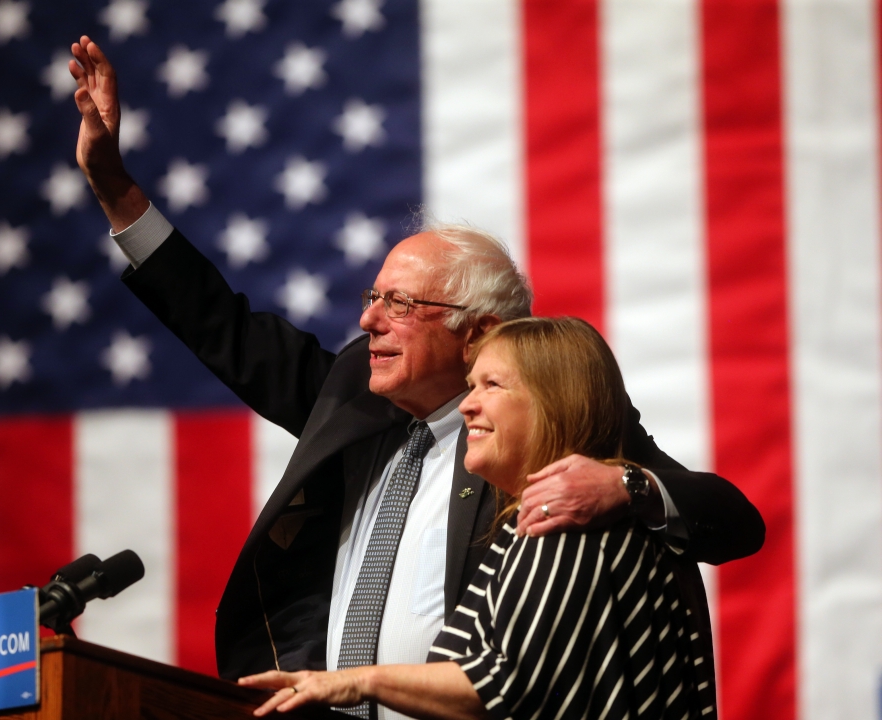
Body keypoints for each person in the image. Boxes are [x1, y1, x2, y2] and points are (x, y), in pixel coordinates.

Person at [67, 34, 763, 690]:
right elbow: (220, 323)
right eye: (373, 298)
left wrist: (626, 488)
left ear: (480, 331)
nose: (369, 320)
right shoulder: (351, 395)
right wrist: (112, 186)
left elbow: (735, 521)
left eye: (399, 304)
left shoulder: (552, 426)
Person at [239, 317, 717, 720]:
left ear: (556, 400)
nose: (467, 405)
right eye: (470, 386)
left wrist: (354, 682)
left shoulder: (571, 521)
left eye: (491, 385)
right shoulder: (535, 517)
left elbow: (502, 685)